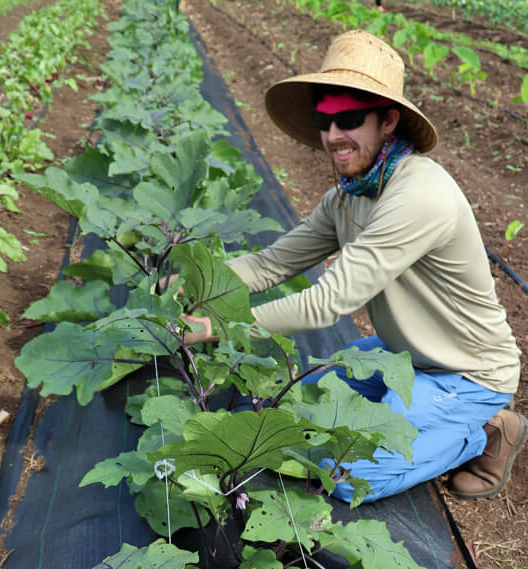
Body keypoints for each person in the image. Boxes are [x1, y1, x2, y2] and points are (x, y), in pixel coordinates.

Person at [182, 30, 526, 503]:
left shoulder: (418, 194)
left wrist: (219, 323)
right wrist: (195, 280)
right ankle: (435, 419)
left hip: (465, 373)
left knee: (343, 478)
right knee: (297, 414)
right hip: (399, 355)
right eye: (325, 121)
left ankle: (484, 432)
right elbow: (271, 263)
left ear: (387, 121)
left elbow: (328, 303)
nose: (332, 135)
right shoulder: (349, 196)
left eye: (348, 119)